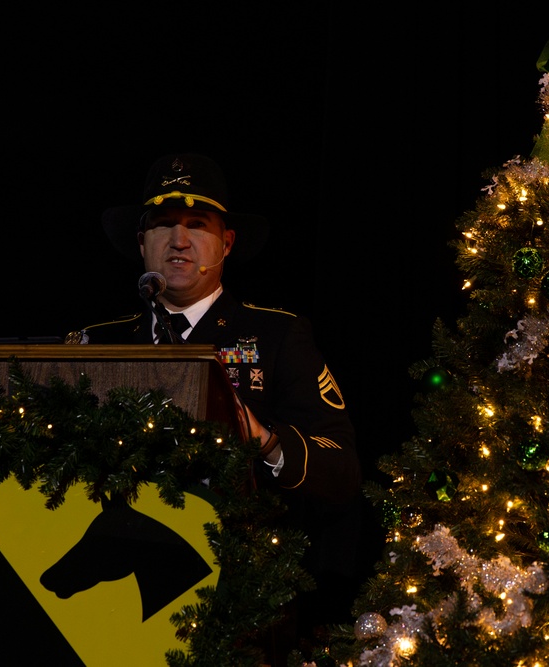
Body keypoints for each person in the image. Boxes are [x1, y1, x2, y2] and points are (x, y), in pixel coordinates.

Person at [68, 152, 362, 661]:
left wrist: (266, 443)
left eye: (197, 225)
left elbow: (341, 470)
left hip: (236, 606)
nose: (179, 240)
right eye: (164, 224)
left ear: (226, 243)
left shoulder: (277, 336)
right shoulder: (96, 345)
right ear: (141, 243)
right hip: (110, 612)